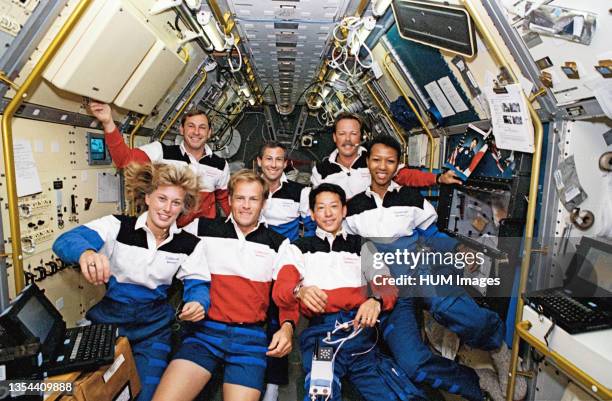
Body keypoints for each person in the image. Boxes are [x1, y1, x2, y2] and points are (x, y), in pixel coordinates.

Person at [344, 136, 526, 401]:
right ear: (367, 162)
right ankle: (476, 382)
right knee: (411, 364)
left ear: (398, 166)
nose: (382, 166)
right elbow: (350, 254)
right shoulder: (353, 208)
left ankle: (498, 347)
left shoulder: (411, 198)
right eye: (376, 159)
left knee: (447, 306)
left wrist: (458, 249)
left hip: (420, 272)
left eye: (390, 161)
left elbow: (431, 234)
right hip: (387, 290)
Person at [52, 163, 211, 401]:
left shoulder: (190, 244)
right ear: (147, 197)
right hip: (108, 326)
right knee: (95, 393)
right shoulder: (117, 227)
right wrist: (86, 253)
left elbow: (198, 284)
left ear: (183, 207)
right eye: (161, 198)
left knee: (144, 395)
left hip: (154, 332)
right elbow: (66, 240)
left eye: (176, 203)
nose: (167, 209)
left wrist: (198, 302)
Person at [273, 183, 427, 401]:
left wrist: (376, 300)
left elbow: (386, 285)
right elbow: (281, 288)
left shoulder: (362, 246)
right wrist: (299, 290)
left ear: (344, 210)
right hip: (323, 338)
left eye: (334, 207)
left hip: (360, 334)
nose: (328, 214)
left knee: (395, 394)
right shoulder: (297, 247)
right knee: (320, 393)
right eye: (321, 208)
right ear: (312, 214)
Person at [152, 170, 294, 401]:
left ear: (264, 203)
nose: (246, 206)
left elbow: (286, 294)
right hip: (204, 335)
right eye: (240, 198)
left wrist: (287, 327)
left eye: (253, 199)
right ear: (229, 200)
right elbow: (165, 242)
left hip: (250, 339)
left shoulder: (279, 244)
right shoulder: (201, 229)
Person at [88, 101, 230, 224]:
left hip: (203, 234)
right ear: (181, 129)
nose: (196, 132)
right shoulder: (161, 152)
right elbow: (124, 161)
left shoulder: (220, 165)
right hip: (170, 233)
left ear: (210, 132)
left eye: (202, 127)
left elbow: (226, 201)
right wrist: (108, 122)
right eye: (191, 126)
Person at [256, 141, 316, 401]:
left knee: (278, 322)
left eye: (278, 159)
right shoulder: (251, 188)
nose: (273, 164)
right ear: (259, 161)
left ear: (285, 164)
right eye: (268, 159)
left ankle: (273, 384)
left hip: (282, 266)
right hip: (254, 263)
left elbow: (310, 229)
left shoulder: (299, 193)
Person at [310, 112, 461, 199]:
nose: (348, 139)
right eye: (342, 134)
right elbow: (318, 204)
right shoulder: (321, 170)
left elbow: (405, 176)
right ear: (335, 137)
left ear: (361, 137)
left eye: (353, 134)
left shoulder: (375, 160)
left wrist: (438, 178)